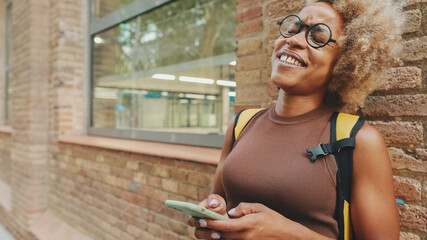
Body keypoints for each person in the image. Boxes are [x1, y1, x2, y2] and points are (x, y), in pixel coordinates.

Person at [188, 0, 403, 239]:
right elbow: (219, 202)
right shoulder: (241, 124)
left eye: (318, 37)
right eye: (293, 28)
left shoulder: (357, 140)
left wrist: (284, 233)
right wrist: (212, 218)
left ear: (345, 62)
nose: (294, 40)